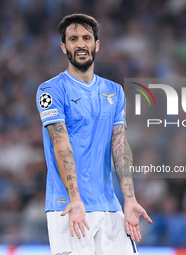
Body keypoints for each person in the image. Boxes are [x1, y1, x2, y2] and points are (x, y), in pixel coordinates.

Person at [36, 13, 152, 255]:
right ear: (63, 47)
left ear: (96, 45)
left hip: (110, 206)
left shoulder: (114, 91)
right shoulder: (50, 90)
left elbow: (119, 146)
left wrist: (129, 200)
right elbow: (61, 144)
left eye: (86, 38)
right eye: (73, 38)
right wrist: (74, 198)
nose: (80, 44)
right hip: (69, 206)